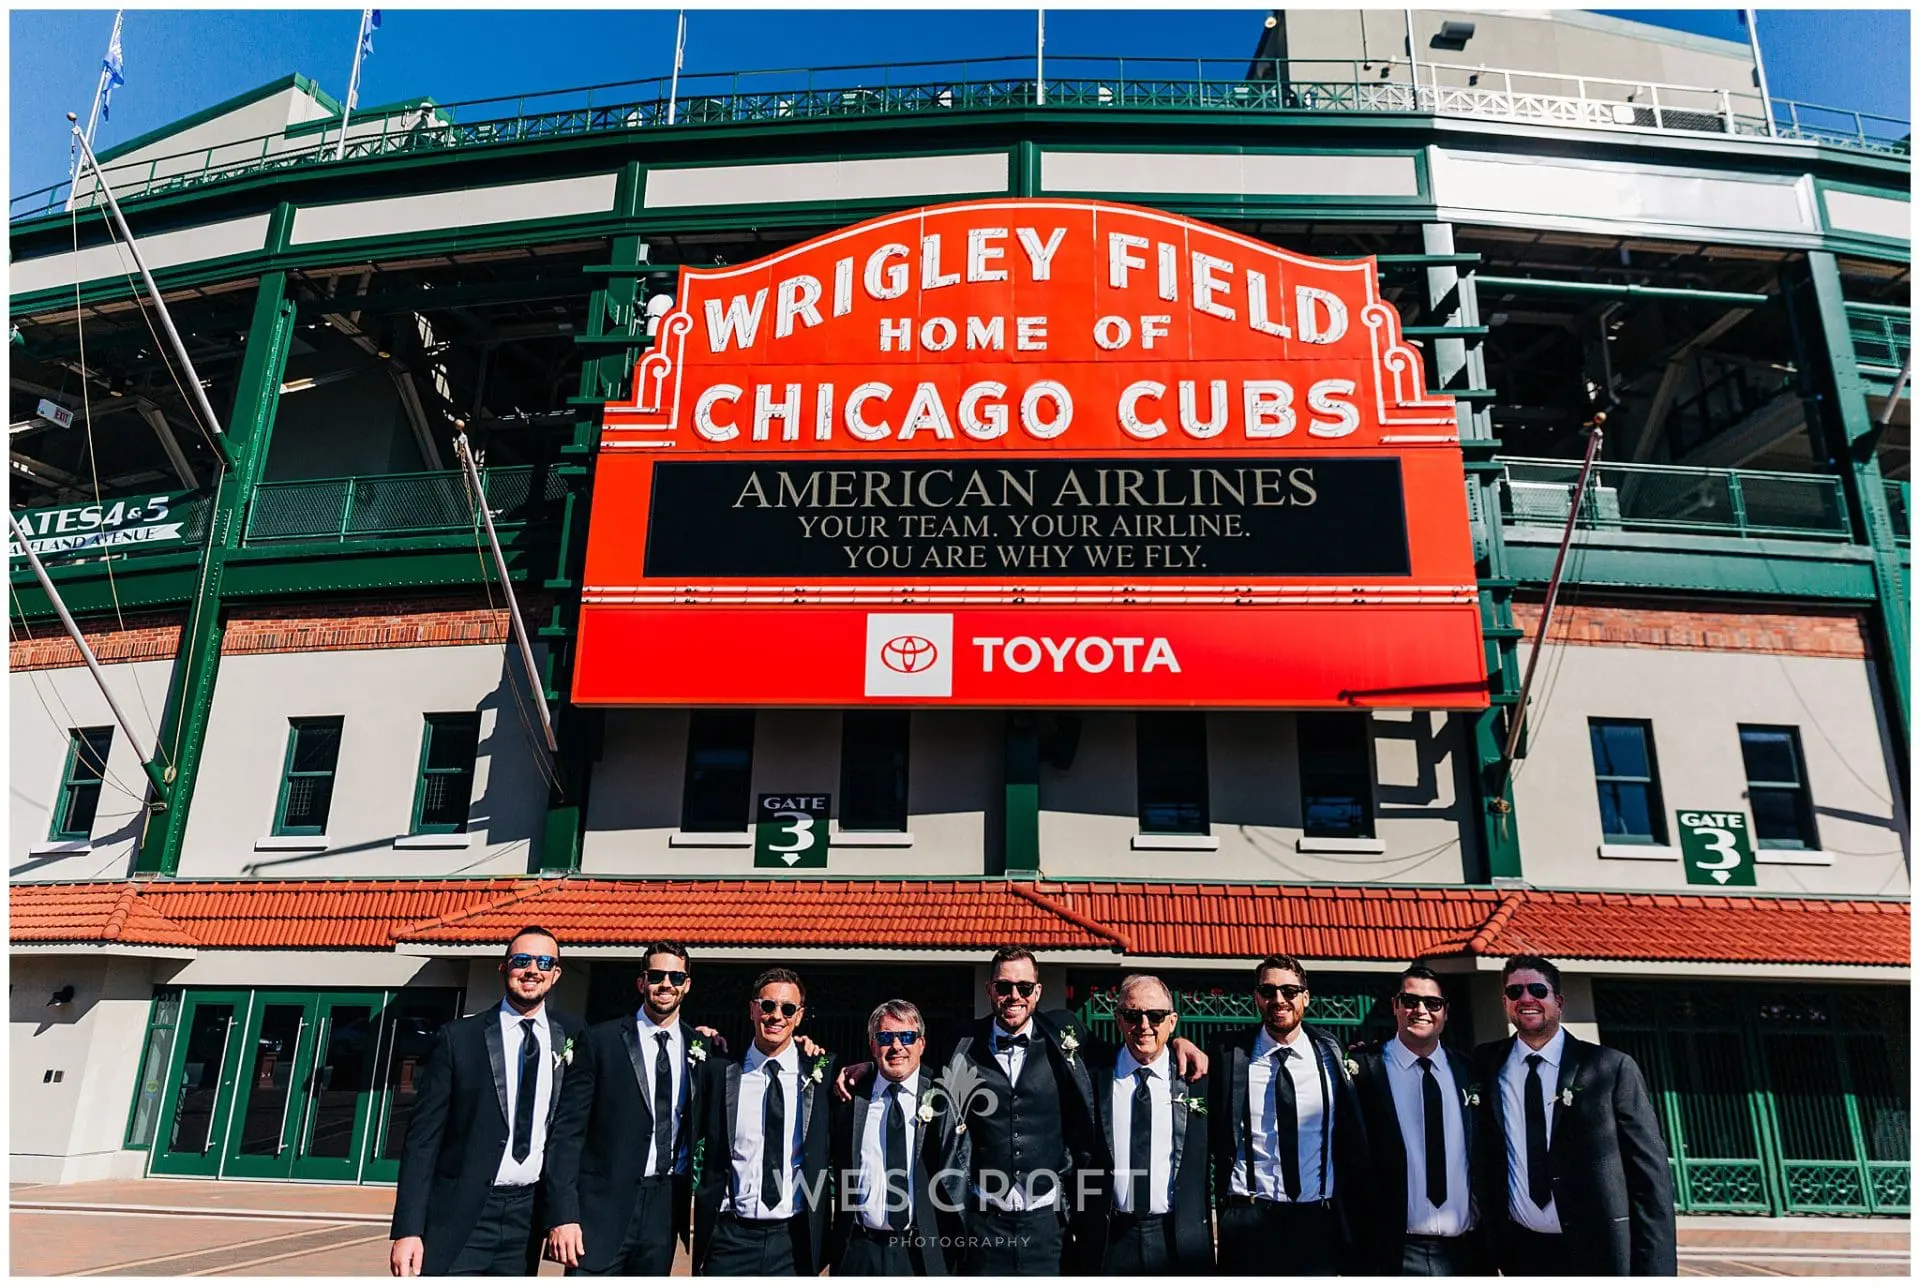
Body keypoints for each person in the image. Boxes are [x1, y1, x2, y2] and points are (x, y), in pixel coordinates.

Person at [934, 946, 1207, 1275]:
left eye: (1023, 987)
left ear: (1037, 991)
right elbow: (913, 1074)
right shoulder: (960, 1042)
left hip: (1049, 1225)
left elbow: (1135, 1049)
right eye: (1003, 987)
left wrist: (1178, 1042)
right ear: (989, 989)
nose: (1013, 996)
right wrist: (864, 1072)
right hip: (984, 1223)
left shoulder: (1065, 1035)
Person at [389, 927, 581, 1276]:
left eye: (543, 962)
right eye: (521, 960)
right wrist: (408, 1229)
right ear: (504, 967)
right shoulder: (459, 1039)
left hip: (527, 1215)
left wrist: (705, 1040)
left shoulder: (574, 1037)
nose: (532, 970)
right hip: (460, 1212)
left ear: (556, 974)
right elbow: (422, 1141)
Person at [1470, 954, 1676, 1276]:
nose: (1526, 999)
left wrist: (1656, 1273)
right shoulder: (1484, 1064)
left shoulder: (1610, 1067)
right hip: (1519, 1253)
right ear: (1505, 1002)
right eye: (1515, 992)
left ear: (1559, 1001)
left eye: (1538, 990)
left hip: (1599, 1251)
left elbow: (1650, 1178)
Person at [543, 941, 709, 1275]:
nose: (666, 984)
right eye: (657, 975)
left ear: (687, 985)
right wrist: (563, 1214)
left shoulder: (701, 1049)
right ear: (641, 982)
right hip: (599, 1210)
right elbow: (567, 1133)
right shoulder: (600, 1041)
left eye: (676, 977)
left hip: (664, 1207)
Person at [1207, 953, 1373, 1275]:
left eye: (1289, 991)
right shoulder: (1230, 1054)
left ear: (1305, 997)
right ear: (1257, 997)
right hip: (1249, 1218)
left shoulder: (1331, 1054)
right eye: (1268, 992)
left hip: (1317, 1219)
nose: (1279, 1000)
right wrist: (1179, 1044)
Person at [692, 967, 838, 1275]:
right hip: (730, 1237)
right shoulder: (722, 1072)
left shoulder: (820, 1076)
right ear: (753, 1009)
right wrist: (692, 1038)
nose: (776, 1017)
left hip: (793, 1240)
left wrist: (863, 1066)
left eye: (787, 1009)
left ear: (799, 1016)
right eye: (768, 1006)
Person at [1351, 964, 1489, 1275]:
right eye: (1410, 1001)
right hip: (1393, 1252)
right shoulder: (1363, 1071)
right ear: (1395, 1006)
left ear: (1446, 1011)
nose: (1420, 1010)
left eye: (1432, 1003)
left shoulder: (1472, 1072)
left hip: (1467, 1253)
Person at [1083, 975, 1213, 1275]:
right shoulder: (1092, 1075)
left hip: (1177, 1238)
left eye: (1155, 1015)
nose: (1144, 1025)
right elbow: (1058, 1022)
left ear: (1172, 1021)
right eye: (1132, 1014)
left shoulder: (1197, 1080)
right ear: (1118, 1019)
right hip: (1109, 1238)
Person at [827, 1000, 962, 1275]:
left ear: (922, 1044)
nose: (897, 1046)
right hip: (859, 1251)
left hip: (921, 1254)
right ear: (873, 1045)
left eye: (907, 1037)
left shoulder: (944, 1100)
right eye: (886, 1037)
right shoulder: (849, 1099)